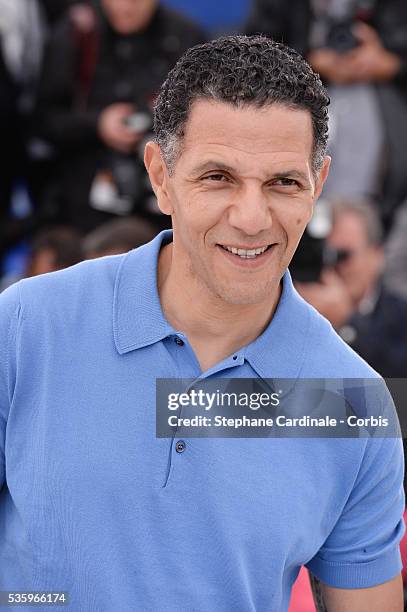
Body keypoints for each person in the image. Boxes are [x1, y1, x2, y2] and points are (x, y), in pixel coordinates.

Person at [0, 35, 404, 611]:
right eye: (218, 177)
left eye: (283, 182)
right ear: (161, 177)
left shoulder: (353, 403)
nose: (250, 217)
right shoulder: (24, 328)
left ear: (318, 185)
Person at [32, 0, 206, 233]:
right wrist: (98, 124)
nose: (127, 5)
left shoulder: (185, 36)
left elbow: (210, 120)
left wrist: (159, 122)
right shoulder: (77, 33)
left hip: (160, 206)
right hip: (82, 207)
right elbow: (41, 121)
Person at [245, 0, 407, 229]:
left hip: (389, 192)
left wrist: (390, 64)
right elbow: (251, 58)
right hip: (298, 173)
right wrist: (308, 63)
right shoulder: (281, 8)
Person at [296, 198, 407, 377]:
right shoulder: (294, 304)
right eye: (325, 254)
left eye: (344, 255)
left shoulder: (401, 316)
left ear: (376, 255)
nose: (333, 265)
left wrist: (347, 323)